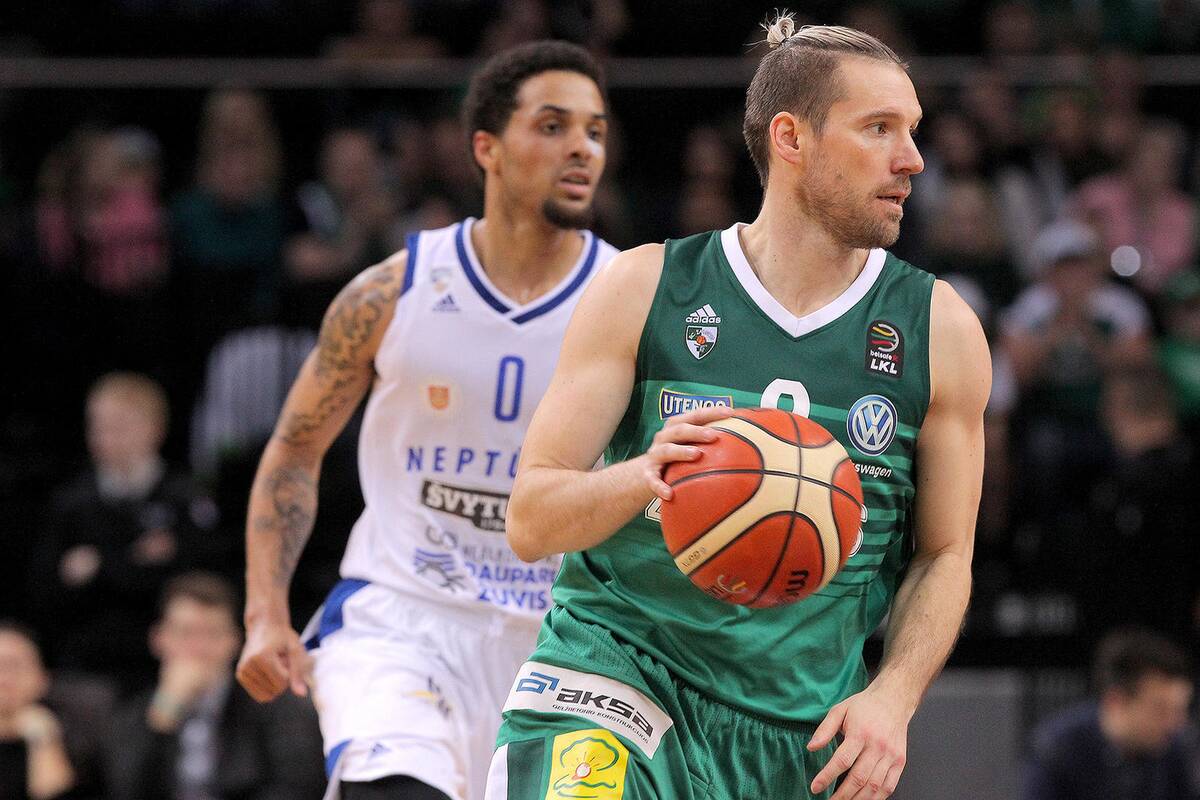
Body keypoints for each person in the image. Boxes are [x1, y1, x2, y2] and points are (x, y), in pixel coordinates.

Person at [492, 15, 989, 800]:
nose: (912, 158)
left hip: (798, 731)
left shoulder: (940, 330)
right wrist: (642, 476)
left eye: (912, 129)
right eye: (879, 129)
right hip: (615, 679)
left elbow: (944, 556)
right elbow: (531, 518)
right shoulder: (646, 286)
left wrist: (894, 697)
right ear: (791, 139)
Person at [234, 41, 615, 800]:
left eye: (595, 131)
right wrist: (265, 614)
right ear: (486, 148)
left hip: (564, 639)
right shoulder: (393, 290)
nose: (581, 147)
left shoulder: (629, 298)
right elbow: (295, 449)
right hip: (405, 618)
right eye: (552, 125)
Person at [31, 372, 225, 693]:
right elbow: (47, 590)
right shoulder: (72, 503)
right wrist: (134, 560)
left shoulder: (186, 498)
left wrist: (101, 566)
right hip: (88, 665)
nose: (106, 437)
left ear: (155, 429)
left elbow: (202, 580)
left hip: (168, 662)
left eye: (120, 426)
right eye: (98, 426)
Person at [105, 572, 325, 800]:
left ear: (235, 642)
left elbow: (298, 786)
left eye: (213, 634)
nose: (199, 648)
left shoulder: (273, 705)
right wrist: (164, 714)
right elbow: (125, 789)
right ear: (159, 639)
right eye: (185, 633)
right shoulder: (135, 714)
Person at [1022, 628, 1196, 800]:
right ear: (1115, 702)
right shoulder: (1056, 750)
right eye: (1160, 710)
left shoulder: (1175, 749)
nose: (1176, 724)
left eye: (1179, 710)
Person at [0, 623, 76, 800]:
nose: (4, 678)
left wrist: (44, 737)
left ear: (43, 679)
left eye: (15, 666)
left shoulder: (75, 737)